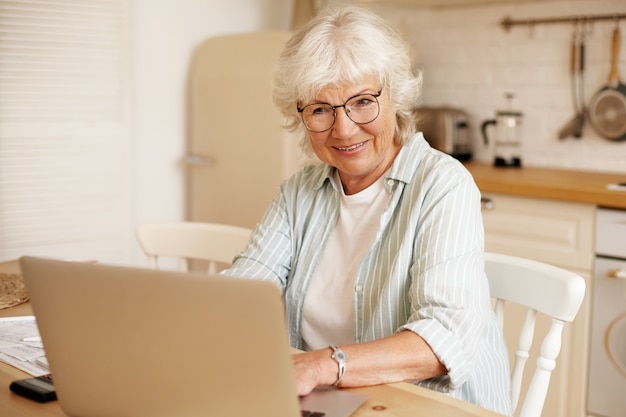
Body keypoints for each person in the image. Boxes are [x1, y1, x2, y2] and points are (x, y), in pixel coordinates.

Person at [222, 5, 512, 416]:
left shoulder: (442, 184)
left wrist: (325, 364)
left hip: (431, 406)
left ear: (395, 95)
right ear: (299, 115)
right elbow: (241, 294)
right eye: (320, 109)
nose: (343, 129)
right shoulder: (299, 193)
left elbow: (445, 338)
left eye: (362, 102)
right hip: (333, 404)